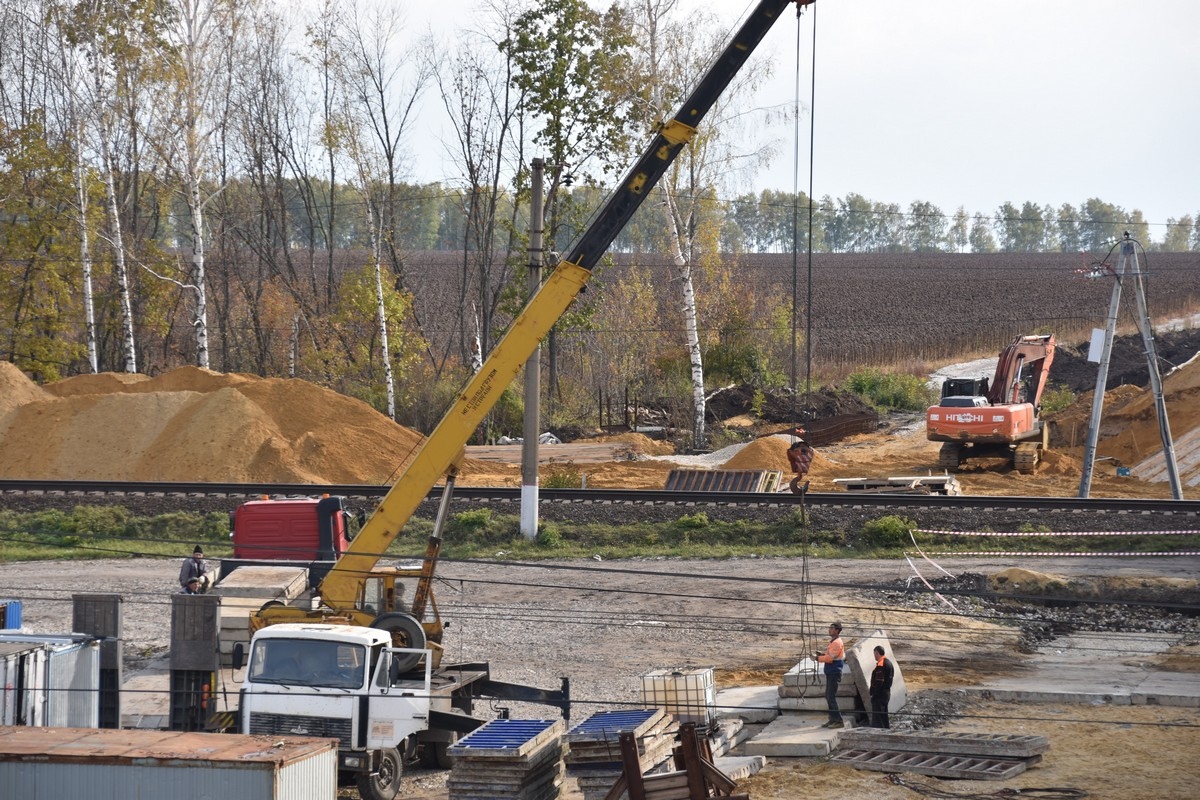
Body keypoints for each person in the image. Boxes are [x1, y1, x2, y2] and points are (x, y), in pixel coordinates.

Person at [813, 621, 846, 728]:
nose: (829, 629)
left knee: (830, 697)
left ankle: (838, 721)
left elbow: (830, 658)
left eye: (832, 628)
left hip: (834, 672)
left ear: (837, 631)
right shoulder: (834, 642)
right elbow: (830, 655)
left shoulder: (837, 643)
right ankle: (832, 719)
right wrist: (822, 655)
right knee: (828, 696)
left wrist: (817, 658)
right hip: (831, 671)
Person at [869, 645, 895, 728]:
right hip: (886, 693)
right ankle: (886, 733)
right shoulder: (889, 662)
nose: (874, 656)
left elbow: (879, 682)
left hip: (880, 695)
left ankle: (879, 735)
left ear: (877, 653)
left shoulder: (881, 665)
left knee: (878, 719)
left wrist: (874, 695)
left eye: (874, 654)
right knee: (884, 717)